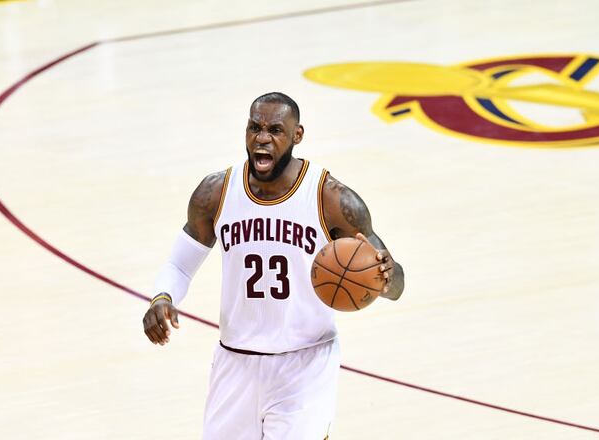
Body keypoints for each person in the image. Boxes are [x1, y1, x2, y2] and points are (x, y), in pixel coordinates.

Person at [142, 92, 405, 440]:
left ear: (297, 136)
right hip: (235, 361)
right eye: (255, 127)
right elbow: (179, 265)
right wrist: (162, 297)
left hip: (305, 364)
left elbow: (397, 284)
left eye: (275, 130)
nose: (262, 138)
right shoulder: (216, 193)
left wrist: (386, 277)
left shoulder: (331, 199)